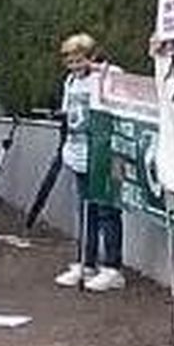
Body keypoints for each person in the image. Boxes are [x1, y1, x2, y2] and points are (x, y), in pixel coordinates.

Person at [51, 33, 126, 292]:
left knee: (107, 209)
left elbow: (118, 78)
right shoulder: (71, 81)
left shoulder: (104, 75)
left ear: (91, 57)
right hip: (79, 152)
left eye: (79, 60)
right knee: (86, 209)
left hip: (104, 154)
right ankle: (86, 261)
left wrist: (97, 68)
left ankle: (113, 266)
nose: (74, 66)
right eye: (69, 61)